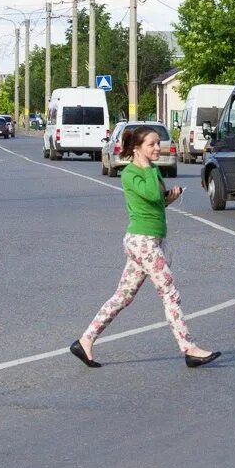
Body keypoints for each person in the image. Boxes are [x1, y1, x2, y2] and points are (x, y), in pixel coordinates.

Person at [70, 126, 221, 369]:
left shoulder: (150, 171)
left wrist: (170, 196)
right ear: (137, 148)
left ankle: (85, 340)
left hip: (151, 239)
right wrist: (148, 167)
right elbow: (151, 194)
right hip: (142, 242)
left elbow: (157, 203)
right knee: (170, 293)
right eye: (151, 144)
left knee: (122, 297)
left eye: (158, 143)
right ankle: (189, 348)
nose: (157, 148)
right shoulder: (131, 173)